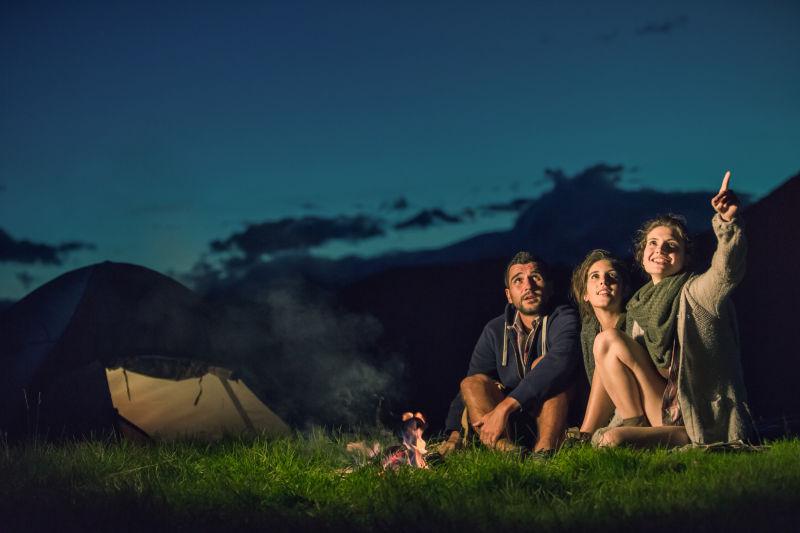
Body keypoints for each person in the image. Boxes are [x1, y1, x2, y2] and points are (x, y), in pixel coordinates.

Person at [592, 171, 753, 448]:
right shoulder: (638, 305)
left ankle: (671, 438)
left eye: (671, 246)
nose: (660, 250)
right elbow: (631, 379)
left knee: (610, 442)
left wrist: (728, 221)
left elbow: (726, 271)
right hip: (659, 408)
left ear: (684, 257)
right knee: (607, 341)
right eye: (652, 243)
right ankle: (637, 426)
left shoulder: (698, 293)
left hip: (693, 417)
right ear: (642, 255)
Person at [439, 251, 581, 454]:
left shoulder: (564, 317)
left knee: (543, 364)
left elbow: (562, 360)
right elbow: (471, 385)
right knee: (471, 383)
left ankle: (545, 450)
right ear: (509, 295)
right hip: (513, 423)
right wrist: (454, 434)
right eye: (518, 281)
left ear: (549, 287)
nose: (528, 286)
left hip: (556, 416)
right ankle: (507, 450)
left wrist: (505, 407)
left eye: (535, 278)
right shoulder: (495, 330)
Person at [565, 249, 630, 442]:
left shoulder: (634, 321)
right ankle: (585, 434)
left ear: (624, 289)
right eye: (595, 276)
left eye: (612, 276)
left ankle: (584, 434)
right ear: (585, 293)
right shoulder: (589, 330)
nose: (604, 281)